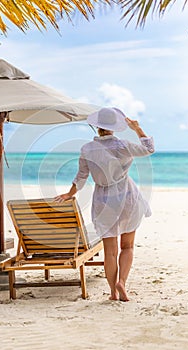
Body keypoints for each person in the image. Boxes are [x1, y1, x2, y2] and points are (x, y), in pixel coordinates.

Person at [55, 107, 154, 302]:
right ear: (114, 127)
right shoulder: (123, 145)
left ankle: (112, 293)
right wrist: (137, 128)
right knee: (128, 246)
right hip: (127, 197)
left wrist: (69, 193)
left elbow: (81, 177)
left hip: (103, 201)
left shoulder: (87, 149)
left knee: (110, 252)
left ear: (96, 127)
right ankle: (122, 283)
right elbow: (149, 149)